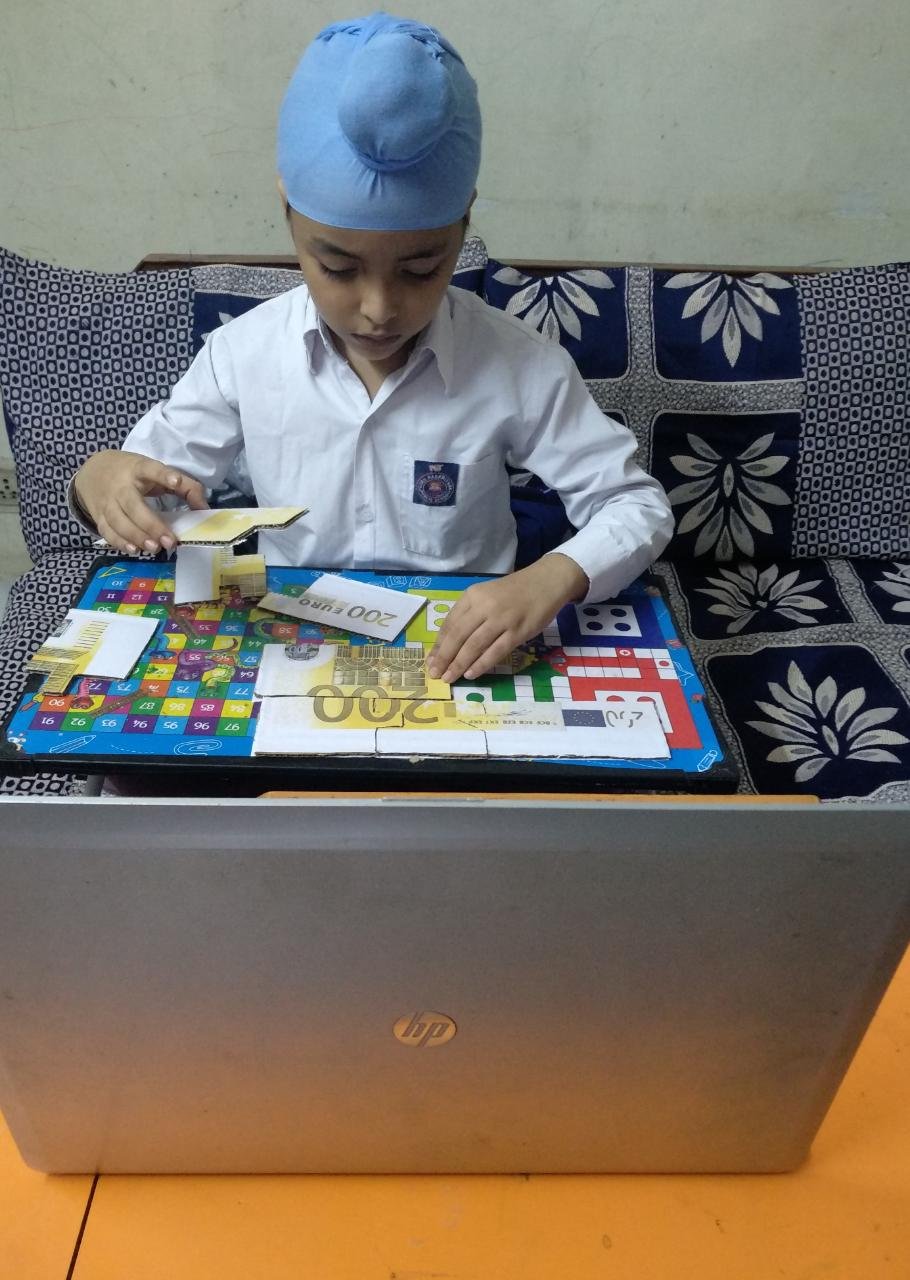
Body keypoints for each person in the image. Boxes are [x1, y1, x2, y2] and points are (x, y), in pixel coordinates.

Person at [71, 12, 673, 684]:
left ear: (465, 219)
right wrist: (99, 480)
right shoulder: (241, 356)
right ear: (288, 213)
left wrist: (550, 578)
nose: (379, 309)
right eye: (338, 268)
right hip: (293, 647)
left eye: (421, 270)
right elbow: (151, 491)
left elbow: (637, 506)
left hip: (460, 654)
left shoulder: (518, 363)